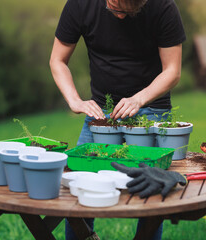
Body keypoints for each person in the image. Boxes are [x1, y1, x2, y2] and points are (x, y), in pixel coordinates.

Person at [49, 0, 186, 238]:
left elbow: (172, 70)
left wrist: (139, 99)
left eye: (129, 11)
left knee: (153, 189)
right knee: (80, 184)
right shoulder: (81, 4)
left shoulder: (163, 6)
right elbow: (57, 60)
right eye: (115, 8)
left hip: (152, 109)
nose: (121, 16)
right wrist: (74, 101)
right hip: (101, 113)